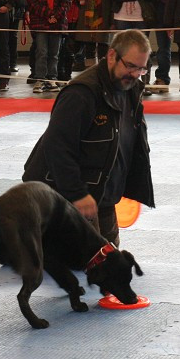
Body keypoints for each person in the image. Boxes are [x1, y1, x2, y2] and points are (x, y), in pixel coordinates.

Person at [22, 29, 155, 247]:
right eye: (131, 66)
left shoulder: (130, 89)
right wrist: (77, 193)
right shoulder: (81, 94)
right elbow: (57, 148)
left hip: (101, 196)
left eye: (141, 68)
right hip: (60, 195)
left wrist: (128, 188)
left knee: (108, 258)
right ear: (112, 55)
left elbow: (129, 146)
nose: (135, 74)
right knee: (80, 262)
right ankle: (6, 243)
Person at [27, 0, 73, 92]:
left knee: (54, 53)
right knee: (41, 51)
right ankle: (40, 79)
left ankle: (52, 79)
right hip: (40, 21)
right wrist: (48, 15)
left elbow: (66, 0)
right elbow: (31, 1)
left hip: (57, 22)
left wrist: (56, 16)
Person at [57, 0, 81, 81]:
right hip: (60, 17)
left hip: (73, 15)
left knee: (70, 48)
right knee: (60, 48)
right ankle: (60, 74)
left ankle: (67, 74)